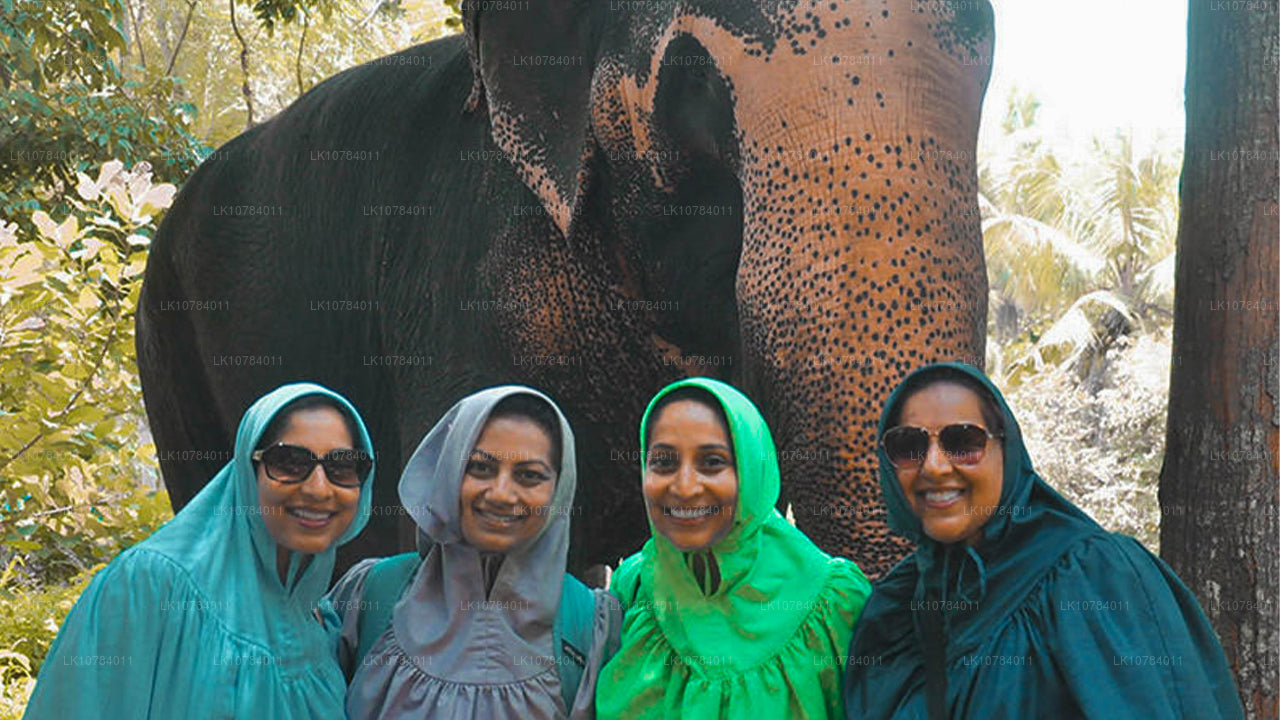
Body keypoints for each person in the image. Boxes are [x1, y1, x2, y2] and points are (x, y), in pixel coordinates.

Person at [844, 362, 1244, 719]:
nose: (933, 466)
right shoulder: (896, 609)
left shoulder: (1091, 575)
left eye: (963, 442)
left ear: (1007, 449)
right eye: (909, 446)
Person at [23, 382, 376, 719]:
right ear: (248, 472)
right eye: (290, 463)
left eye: (341, 466)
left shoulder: (320, 623)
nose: (318, 489)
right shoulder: (149, 585)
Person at [330, 385, 621, 719]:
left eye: (529, 476)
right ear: (449, 473)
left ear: (559, 489)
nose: (501, 494)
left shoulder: (589, 627)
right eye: (481, 468)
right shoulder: (370, 597)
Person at [596, 377, 872, 719]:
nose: (685, 487)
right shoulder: (634, 588)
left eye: (712, 462)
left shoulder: (834, 603)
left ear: (752, 467)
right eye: (664, 463)